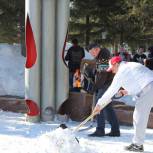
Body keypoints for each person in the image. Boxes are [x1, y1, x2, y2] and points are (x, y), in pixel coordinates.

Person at [93, 56, 153, 152]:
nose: (112, 71)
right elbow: (139, 80)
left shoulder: (121, 72)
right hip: (149, 87)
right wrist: (127, 91)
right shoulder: (132, 65)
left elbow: (111, 90)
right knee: (139, 116)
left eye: (112, 68)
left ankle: (137, 145)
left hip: (148, 90)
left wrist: (99, 104)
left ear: (116, 64)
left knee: (139, 117)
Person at [87, 43, 120, 137]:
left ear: (96, 49)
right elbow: (99, 71)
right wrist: (93, 71)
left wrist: (94, 87)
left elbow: (102, 75)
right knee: (107, 107)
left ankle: (100, 130)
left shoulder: (103, 57)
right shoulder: (102, 56)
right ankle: (115, 130)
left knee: (99, 103)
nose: (92, 55)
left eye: (92, 52)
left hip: (107, 84)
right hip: (108, 84)